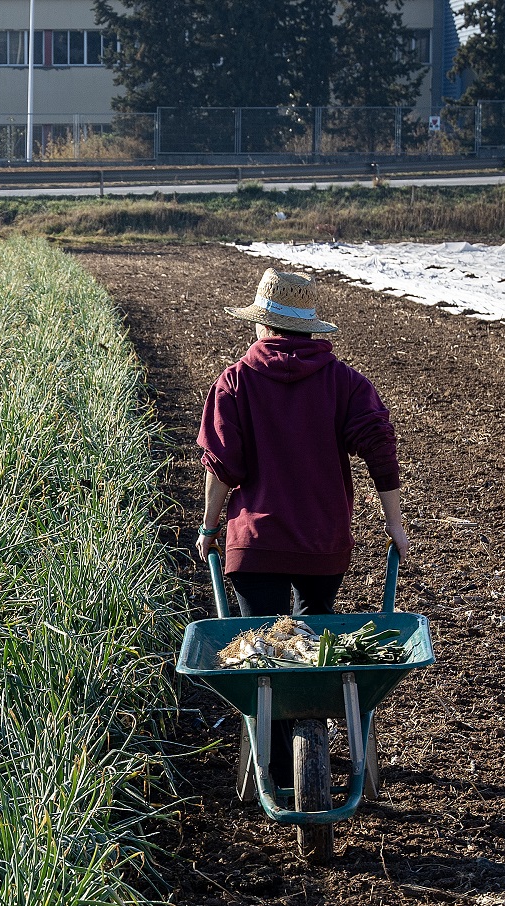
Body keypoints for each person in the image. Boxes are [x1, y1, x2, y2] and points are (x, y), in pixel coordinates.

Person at [195, 267, 411, 778]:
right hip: (322, 541)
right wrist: (395, 523)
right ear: (308, 328)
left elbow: (223, 466)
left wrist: (208, 528)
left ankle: (274, 766)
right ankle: (310, 736)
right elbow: (380, 448)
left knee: (262, 654)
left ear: (263, 325)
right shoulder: (344, 382)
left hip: (255, 544)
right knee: (314, 647)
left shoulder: (236, 381)